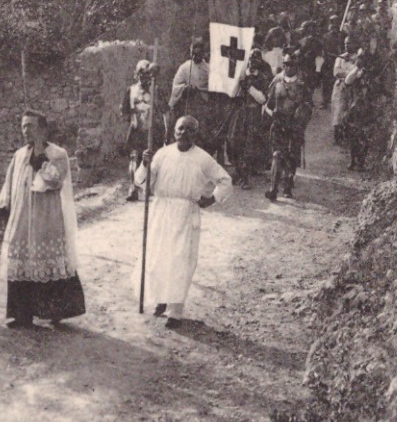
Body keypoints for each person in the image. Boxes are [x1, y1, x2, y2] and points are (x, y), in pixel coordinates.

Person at [133, 115, 232, 329]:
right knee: (158, 257)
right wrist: (144, 164)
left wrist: (212, 198)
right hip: (161, 211)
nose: (184, 133)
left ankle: (175, 312)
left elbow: (225, 180)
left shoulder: (203, 158)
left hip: (186, 214)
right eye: (180, 129)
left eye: (189, 130)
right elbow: (142, 181)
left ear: (196, 134)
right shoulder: (161, 154)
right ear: (173, 132)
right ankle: (160, 299)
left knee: (180, 262)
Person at [0, 110, 85, 329]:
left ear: (43, 129)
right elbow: (9, 183)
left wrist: (40, 160)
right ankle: (21, 315)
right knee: (22, 260)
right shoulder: (18, 155)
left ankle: (54, 312)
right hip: (22, 217)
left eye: (31, 126)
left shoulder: (57, 154)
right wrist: (3, 206)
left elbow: (54, 181)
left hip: (47, 217)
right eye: (24, 126)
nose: (27, 130)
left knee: (47, 260)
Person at [264, 51, 313, 202]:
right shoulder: (277, 81)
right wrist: (272, 114)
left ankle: (287, 186)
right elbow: (268, 105)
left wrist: (301, 117)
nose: (288, 67)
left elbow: (309, 107)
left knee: (291, 156)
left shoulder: (302, 84)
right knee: (277, 155)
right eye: (286, 64)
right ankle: (273, 188)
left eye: (291, 64)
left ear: (296, 66)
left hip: (295, 125)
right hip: (279, 123)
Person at [226, 47, 273, 188]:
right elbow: (232, 94)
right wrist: (239, 80)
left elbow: (263, 99)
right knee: (233, 141)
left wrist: (250, 87)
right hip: (240, 113)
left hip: (253, 115)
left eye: (256, 59)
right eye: (251, 58)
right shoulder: (242, 75)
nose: (253, 62)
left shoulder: (262, 79)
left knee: (248, 144)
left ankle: (244, 177)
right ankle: (238, 170)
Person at [121, 58, 162, 201]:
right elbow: (124, 110)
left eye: (147, 75)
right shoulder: (131, 90)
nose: (144, 78)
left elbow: (163, 110)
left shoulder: (155, 90)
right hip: (136, 131)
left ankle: (147, 187)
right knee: (134, 159)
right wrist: (133, 119)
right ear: (136, 75)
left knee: (151, 160)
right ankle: (133, 188)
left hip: (152, 131)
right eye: (141, 74)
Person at [343, 50, 376, 171]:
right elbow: (347, 81)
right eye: (361, 59)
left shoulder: (373, 73)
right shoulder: (357, 72)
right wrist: (357, 69)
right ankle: (353, 160)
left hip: (369, 108)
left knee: (366, 136)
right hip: (356, 107)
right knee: (353, 135)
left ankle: (361, 161)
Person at [331, 37, 356, 145]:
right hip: (340, 86)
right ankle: (337, 137)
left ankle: (348, 136)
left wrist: (347, 73)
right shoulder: (340, 58)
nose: (347, 46)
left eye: (349, 43)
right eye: (345, 44)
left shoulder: (357, 58)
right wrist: (349, 73)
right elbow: (336, 72)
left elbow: (357, 73)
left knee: (350, 111)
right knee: (338, 110)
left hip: (352, 87)